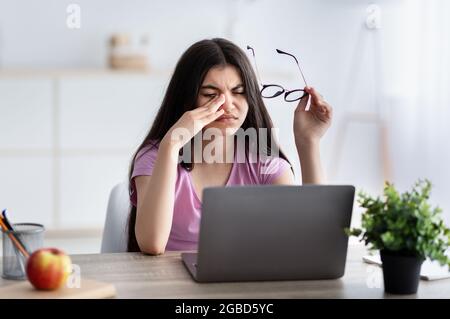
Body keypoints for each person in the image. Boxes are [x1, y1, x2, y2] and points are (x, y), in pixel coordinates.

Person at [127, 38, 332, 254]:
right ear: (186, 99)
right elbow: (151, 244)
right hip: (169, 284)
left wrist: (309, 141)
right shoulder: (155, 156)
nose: (227, 105)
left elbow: (312, 239)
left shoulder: (262, 161)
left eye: (239, 91)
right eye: (210, 95)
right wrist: (172, 143)